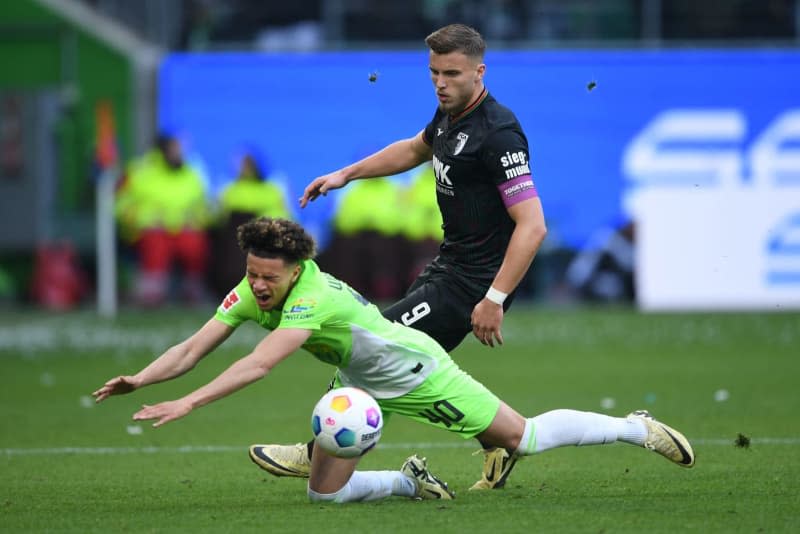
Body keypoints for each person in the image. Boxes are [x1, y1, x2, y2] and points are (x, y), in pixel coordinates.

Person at [92, 217, 695, 504]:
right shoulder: (255, 287)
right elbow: (196, 347)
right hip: (357, 383)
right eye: (251, 273)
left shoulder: (313, 296)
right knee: (324, 498)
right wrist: (143, 378)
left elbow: (258, 365)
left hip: (415, 371)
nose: (257, 286)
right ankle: (409, 481)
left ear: (295, 270)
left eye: (267, 276)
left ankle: (632, 427)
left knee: (524, 437)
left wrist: (190, 401)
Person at [253, 23, 547, 489]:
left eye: (451, 73)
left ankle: (314, 454)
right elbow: (413, 149)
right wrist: (346, 174)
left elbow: (533, 226)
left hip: (471, 285)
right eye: (433, 73)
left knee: (371, 347)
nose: (440, 83)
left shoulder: (500, 133)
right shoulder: (450, 115)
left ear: (480, 72)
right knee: (409, 368)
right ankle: (500, 443)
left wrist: (494, 298)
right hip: (446, 268)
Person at [115, 134, 211, 306]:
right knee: (155, 245)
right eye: (175, 149)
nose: (179, 153)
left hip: (184, 228)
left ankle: (192, 290)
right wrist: (140, 220)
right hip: (149, 229)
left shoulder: (192, 173)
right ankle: (152, 293)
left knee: (195, 246)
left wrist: (197, 220)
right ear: (163, 149)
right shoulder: (140, 171)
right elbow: (121, 202)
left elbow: (204, 207)